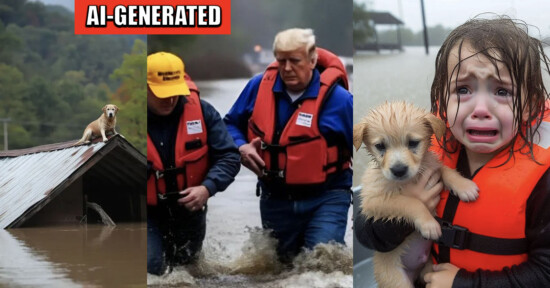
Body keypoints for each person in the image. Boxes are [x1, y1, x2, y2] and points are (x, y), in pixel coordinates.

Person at [355, 16, 550, 287]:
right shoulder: (424, 142)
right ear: (442, 99)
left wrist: (464, 284)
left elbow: (545, 274)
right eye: (463, 89)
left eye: (503, 91)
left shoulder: (545, 181)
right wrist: (409, 210)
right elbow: (367, 236)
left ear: (530, 105)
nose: (481, 109)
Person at [224, 28, 353, 261]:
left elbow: (366, 145)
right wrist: (240, 146)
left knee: (320, 262)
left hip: (327, 196)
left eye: (294, 61)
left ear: (312, 60)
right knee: (281, 270)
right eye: (281, 61)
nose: (287, 68)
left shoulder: (340, 100)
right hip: (275, 198)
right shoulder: (257, 86)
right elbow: (230, 124)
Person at [146, 52, 240, 275]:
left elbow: (229, 156)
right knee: (152, 267)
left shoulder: (203, 111)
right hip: (147, 213)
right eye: (162, 94)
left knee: (186, 273)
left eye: (174, 93)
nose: (169, 100)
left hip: (190, 212)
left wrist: (207, 188)